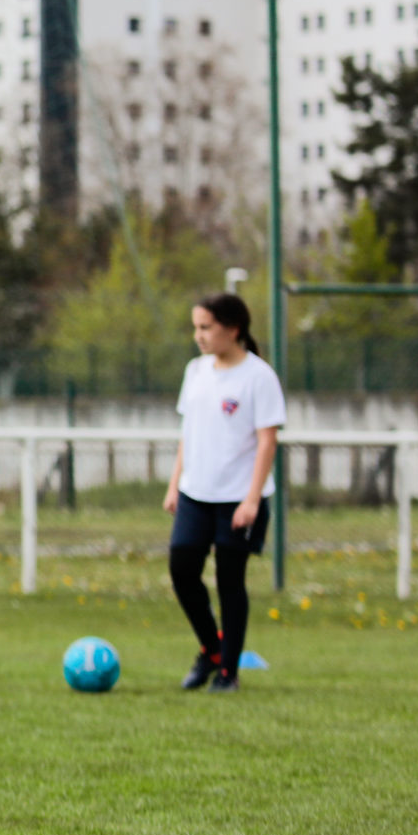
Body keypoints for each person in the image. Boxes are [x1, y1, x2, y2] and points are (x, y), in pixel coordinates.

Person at [164, 292, 284, 694]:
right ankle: (211, 650)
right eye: (195, 327)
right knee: (182, 570)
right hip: (195, 494)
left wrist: (252, 500)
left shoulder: (258, 376)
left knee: (230, 581)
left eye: (205, 327)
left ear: (232, 330)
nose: (198, 335)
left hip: (237, 499)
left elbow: (267, 442)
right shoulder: (195, 371)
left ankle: (227, 672)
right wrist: (175, 483)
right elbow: (189, 432)